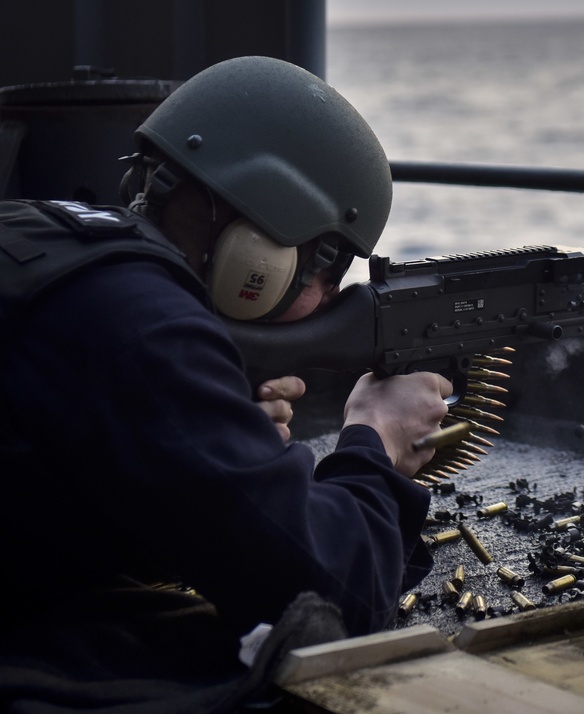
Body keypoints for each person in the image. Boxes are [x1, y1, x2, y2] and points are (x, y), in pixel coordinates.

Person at [0, 56, 450, 712]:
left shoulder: (46, 240)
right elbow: (333, 601)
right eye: (327, 268)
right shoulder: (146, 329)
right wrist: (376, 442)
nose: (327, 299)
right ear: (266, 243)